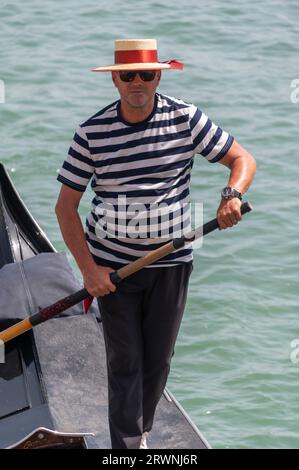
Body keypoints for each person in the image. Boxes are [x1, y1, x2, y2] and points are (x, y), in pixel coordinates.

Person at [55, 39, 256, 449]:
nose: (137, 82)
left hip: (172, 263)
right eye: (127, 75)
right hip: (113, 271)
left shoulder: (185, 118)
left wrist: (231, 195)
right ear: (114, 79)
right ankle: (127, 448)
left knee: (158, 360)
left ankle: (140, 433)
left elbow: (242, 160)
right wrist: (90, 271)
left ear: (158, 75)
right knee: (125, 361)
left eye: (146, 74)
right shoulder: (92, 132)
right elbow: (65, 208)